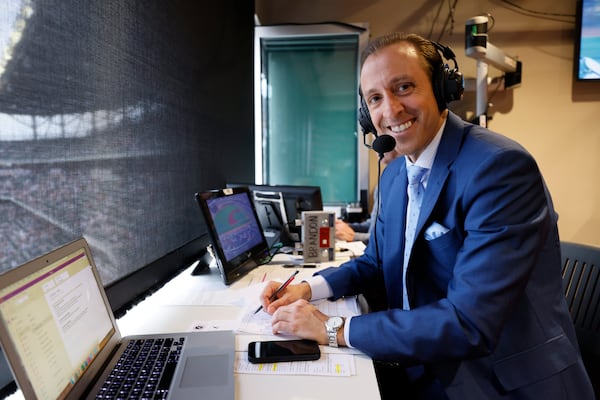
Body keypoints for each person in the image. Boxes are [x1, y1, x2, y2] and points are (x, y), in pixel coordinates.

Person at [259, 32, 594, 399]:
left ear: (441, 87)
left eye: (403, 87)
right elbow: (373, 263)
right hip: (424, 366)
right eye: (375, 99)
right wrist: (309, 288)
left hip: (496, 382)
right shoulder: (395, 175)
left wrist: (333, 327)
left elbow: (469, 322)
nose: (390, 111)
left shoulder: (498, 168)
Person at [335, 149, 400, 243]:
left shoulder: (406, 185)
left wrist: (354, 237)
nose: (375, 146)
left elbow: (393, 240)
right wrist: (346, 227)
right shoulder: (382, 183)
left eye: (378, 138)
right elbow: (372, 225)